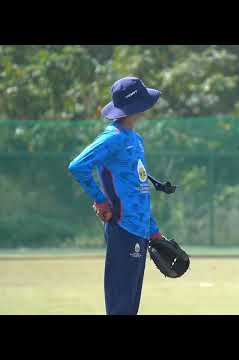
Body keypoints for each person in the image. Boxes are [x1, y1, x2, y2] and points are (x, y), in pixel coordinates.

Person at [68, 76, 166, 315]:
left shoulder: (135, 139)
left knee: (130, 305)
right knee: (120, 305)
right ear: (136, 106)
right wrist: (100, 199)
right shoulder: (113, 137)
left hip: (140, 229)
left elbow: (139, 188)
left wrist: (153, 230)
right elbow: (78, 165)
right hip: (123, 228)